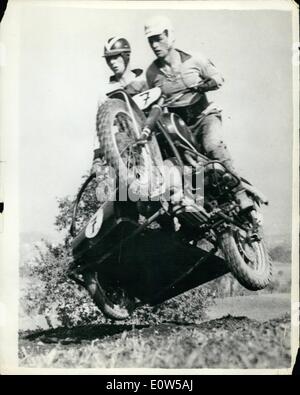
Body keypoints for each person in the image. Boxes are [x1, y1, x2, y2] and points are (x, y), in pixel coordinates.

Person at [144, 15, 252, 210]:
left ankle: (241, 193)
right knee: (176, 164)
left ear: (169, 35)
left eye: (158, 38)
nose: (154, 44)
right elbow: (152, 98)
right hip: (179, 127)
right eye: (150, 40)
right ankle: (194, 206)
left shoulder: (194, 59)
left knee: (213, 145)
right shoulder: (151, 73)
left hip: (204, 117)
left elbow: (218, 78)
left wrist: (205, 86)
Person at [92, 36, 148, 201]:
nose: (112, 62)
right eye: (109, 59)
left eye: (116, 57)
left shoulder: (143, 79)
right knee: (122, 191)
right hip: (127, 141)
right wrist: (96, 157)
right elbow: (101, 126)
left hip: (152, 132)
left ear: (126, 56)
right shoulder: (106, 91)